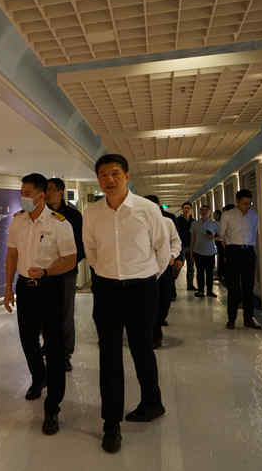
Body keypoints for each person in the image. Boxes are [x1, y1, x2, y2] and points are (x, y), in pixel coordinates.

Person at [83, 155, 170, 453]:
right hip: (107, 288)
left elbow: (162, 248)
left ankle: (152, 402)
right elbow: (91, 251)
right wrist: (107, 274)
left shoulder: (147, 209)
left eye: (115, 173)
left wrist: (147, 277)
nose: (109, 179)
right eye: (103, 175)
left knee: (142, 347)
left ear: (127, 175)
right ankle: (111, 423)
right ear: (98, 179)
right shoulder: (92, 212)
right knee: (108, 354)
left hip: (142, 287)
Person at [3, 173, 76, 436]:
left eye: (27, 193)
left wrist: (46, 271)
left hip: (50, 287)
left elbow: (70, 259)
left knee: (54, 348)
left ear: (41, 195)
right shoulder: (18, 222)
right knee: (27, 339)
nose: (23, 197)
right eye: (21, 192)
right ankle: (38, 378)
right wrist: (8, 287)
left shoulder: (60, 224)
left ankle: (52, 407)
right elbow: (12, 254)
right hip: (25, 288)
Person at [45, 178, 84, 372]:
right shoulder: (40, 214)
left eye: (51, 189)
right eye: (46, 189)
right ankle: (49, 348)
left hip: (66, 273)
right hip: (44, 273)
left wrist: (68, 262)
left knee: (65, 313)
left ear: (61, 192)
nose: (48, 193)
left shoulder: (74, 216)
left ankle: (66, 353)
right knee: (45, 313)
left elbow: (81, 245)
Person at [144, 195, 182, 349]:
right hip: (145, 269)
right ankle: (154, 334)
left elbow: (176, 241)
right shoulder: (138, 223)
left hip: (164, 267)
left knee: (164, 301)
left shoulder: (167, 222)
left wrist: (173, 255)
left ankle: (158, 322)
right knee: (149, 303)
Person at [219, 190, 261, 330]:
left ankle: (248, 319)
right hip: (233, 252)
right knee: (233, 287)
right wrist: (228, 250)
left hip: (249, 252)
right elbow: (221, 235)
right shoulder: (227, 215)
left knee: (249, 287)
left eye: (249, 203)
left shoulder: (254, 215)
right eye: (244, 203)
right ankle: (231, 319)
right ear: (237, 202)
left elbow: (255, 233)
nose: (247, 206)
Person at [191, 204, 219, 298]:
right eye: (202, 210)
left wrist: (213, 237)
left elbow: (221, 236)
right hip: (198, 251)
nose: (204, 212)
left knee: (209, 273)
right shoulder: (195, 224)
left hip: (210, 252)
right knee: (200, 272)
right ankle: (200, 291)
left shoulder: (214, 224)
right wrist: (191, 251)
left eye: (206, 210)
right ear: (199, 212)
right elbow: (193, 238)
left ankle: (210, 291)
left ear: (210, 212)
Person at [175, 202, 195, 292]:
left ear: (191, 210)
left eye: (188, 208)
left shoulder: (193, 221)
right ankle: (172, 286)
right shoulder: (177, 220)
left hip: (191, 246)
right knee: (178, 266)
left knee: (191, 267)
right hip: (181, 247)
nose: (186, 209)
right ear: (182, 209)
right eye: (185, 208)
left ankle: (190, 285)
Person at [213, 209, 225, 282]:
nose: (214, 216)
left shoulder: (220, 223)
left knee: (221, 259)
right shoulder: (215, 223)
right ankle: (220, 274)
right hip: (218, 242)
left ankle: (221, 275)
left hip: (221, 242)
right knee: (220, 259)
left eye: (215, 215)